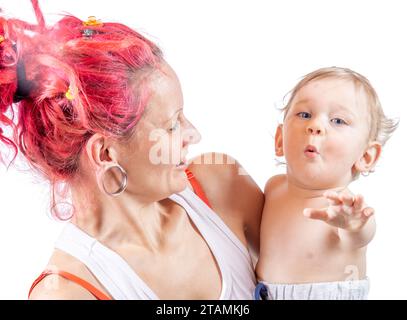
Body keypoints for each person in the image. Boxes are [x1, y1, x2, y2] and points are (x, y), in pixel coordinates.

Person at [0, 0, 263, 299]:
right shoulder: (68, 293)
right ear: (105, 154)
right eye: (172, 125)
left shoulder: (222, 187)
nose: (194, 134)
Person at [255, 67, 398, 300]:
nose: (316, 126)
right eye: (304, 115)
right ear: (280, 140)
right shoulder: (274, 188)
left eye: (338, 120)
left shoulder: (344, 207)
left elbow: (362, 232)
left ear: (365, 157)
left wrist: (354, 223)